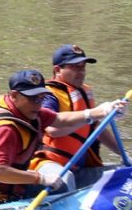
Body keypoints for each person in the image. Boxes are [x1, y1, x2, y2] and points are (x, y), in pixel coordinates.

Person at [0, 69, 125, 205]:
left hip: (8, 182)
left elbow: (59, 119)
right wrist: (40, 178)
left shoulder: (26, 110)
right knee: (62, 185)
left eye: (41, 97)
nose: (38, 103)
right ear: (14, 95)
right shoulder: (6, 129)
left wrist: (101, 111)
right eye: (32, 98)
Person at [34, 44, 122, 191]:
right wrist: (90, 116)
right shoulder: (49, 95)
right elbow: (52, 130)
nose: (81, 72)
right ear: (57, 70)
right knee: (65, 179)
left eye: (83, 67)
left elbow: (98, 129)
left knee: (124, 172)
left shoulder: (84, 92)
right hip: (50, 165)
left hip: (77, 166)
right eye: (75, 67)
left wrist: (123, 154)